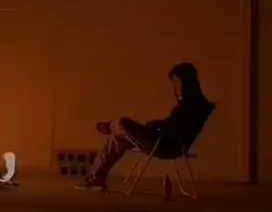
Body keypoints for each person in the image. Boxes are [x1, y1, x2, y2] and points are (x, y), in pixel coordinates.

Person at [79, 62, 211, 191]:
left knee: (123, 122)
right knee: (116, 139)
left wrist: (156, 126)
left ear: (188, 82)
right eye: (173, 82)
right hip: (161, 140)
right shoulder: (189, 104)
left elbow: (177, 127)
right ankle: (96, 177)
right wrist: (156, 125)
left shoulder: (194, 106)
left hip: (165, 145)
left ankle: (113, 127)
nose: (174, 86)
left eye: (177, 81)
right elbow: (173, 124)